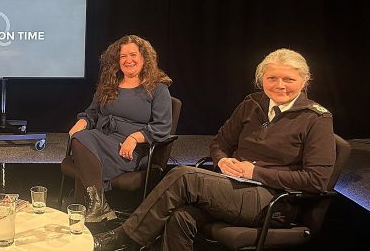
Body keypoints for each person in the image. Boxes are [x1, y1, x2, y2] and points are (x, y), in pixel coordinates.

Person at [94, 48, 336, 251]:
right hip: (232, 187)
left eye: (288, 79)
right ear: (261, 79)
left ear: (305, 81)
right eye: (272, 78)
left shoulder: (316, 118)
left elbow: (317, 181)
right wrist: (221, 162)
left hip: (273, 201)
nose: (279, 85)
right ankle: (130, 239)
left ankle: (124, 239)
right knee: (181, 218)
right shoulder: (252, 104)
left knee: (183, 175)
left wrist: (254, 173)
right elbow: (219, 143)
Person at [68, 35, 173, 222]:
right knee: (81, 137)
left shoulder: (157, 88)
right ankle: (97, 207)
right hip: (103, 139)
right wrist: (82, 122)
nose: (128, 60)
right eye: (123, 56)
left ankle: (86, 210)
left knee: (83, 149)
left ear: (144, 58)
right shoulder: (109, 85)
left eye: (133, 54)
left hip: (132, 150)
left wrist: (134, 138)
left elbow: (162, 127)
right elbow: (92, 113)